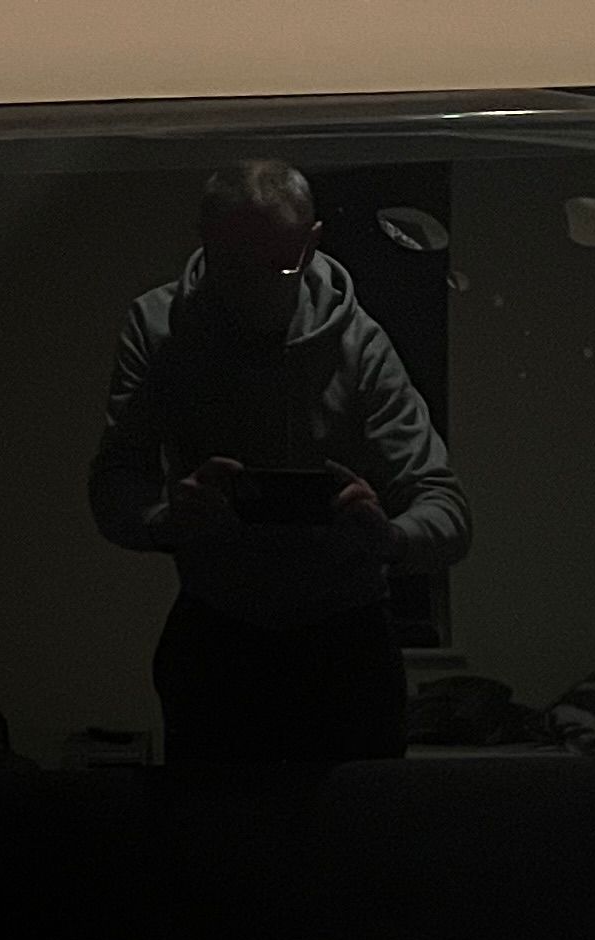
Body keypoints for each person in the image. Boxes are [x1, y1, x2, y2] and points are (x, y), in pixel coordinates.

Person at [87, 160, 470, 764]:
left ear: (313, 243)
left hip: (342, 648)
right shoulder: (158, 328)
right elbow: (115, 483)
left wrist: (387, 539)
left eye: (279, 266)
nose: (257, 289)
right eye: (235, 266)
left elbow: (447, 510)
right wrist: (168, 520)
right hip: (218, 642)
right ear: (205, 242)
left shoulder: (360, 347)